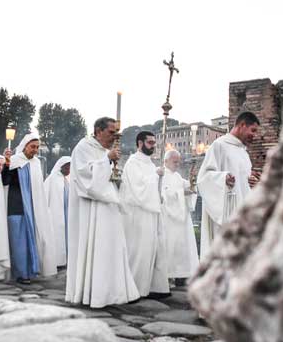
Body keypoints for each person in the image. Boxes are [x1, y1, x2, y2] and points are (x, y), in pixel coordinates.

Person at [65, 117, 140, 308]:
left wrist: (115, 173)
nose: (114, 136)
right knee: (96, 248)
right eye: (111, 132)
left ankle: (112, 292)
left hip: (107, 205)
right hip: (92, 208)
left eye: (116, 132)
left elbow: (107, 176)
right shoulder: (83, 147)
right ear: (98, 131)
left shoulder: (104, 150)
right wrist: (106, 160)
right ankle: (95, 293)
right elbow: (85, 178)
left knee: (111, 247)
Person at [197, 111, 261, 260]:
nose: (254, 135)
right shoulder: (219, 145)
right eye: (253, 130)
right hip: (226, 212)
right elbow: (204, 177)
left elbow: (243, 182)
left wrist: (253, 182)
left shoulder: (244, 153)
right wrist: (223, 178)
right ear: (242, 125)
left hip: (243, 214)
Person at [2, 133, 58, 283]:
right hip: (16, 207)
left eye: (37, 147)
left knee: (31, 241)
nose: (35, 150)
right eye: (32, 147)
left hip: (33, 208)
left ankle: (31, 270)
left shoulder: (36, 164)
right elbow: (5, 181)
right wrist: (6, 164)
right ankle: (21, 273)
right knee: (19, 242)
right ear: (25, 146)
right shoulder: (14, 161)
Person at [120, 130, 169, 298]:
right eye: (150, 142)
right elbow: (137, 189)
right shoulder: (133, 163)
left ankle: (152, 286)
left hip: (151, 212)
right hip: (137, 214)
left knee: (154, 249)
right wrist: (155, 176)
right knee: (139, 251)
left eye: (154, 143)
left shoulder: (149, 163)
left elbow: (150, 187)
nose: (153, 146)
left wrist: (158, 193)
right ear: (140, 143)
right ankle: (135, 288)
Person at [161, 150, 199, 283]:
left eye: (178, 162)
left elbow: (188, 187)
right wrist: (182, 192)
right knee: (170, 245)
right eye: (174, 161)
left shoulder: (177, 176)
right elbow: (165, 194)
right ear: (166, 161)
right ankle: (168, 276)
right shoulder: (162, 175)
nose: (177, 164)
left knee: (181, 247)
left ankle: (180, 275)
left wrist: (192, 181)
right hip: (169, 218)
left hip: (180, 218)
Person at [44, 156, 71, 268]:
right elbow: (45, 196)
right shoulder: (52, 179)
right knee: (56, 237)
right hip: (54, 214)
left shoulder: (65, 180)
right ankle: (56, 261)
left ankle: (63, 260)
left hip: (65, 213)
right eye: (67, 167)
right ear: (62, 167)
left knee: (64, 237)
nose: (69, 170)